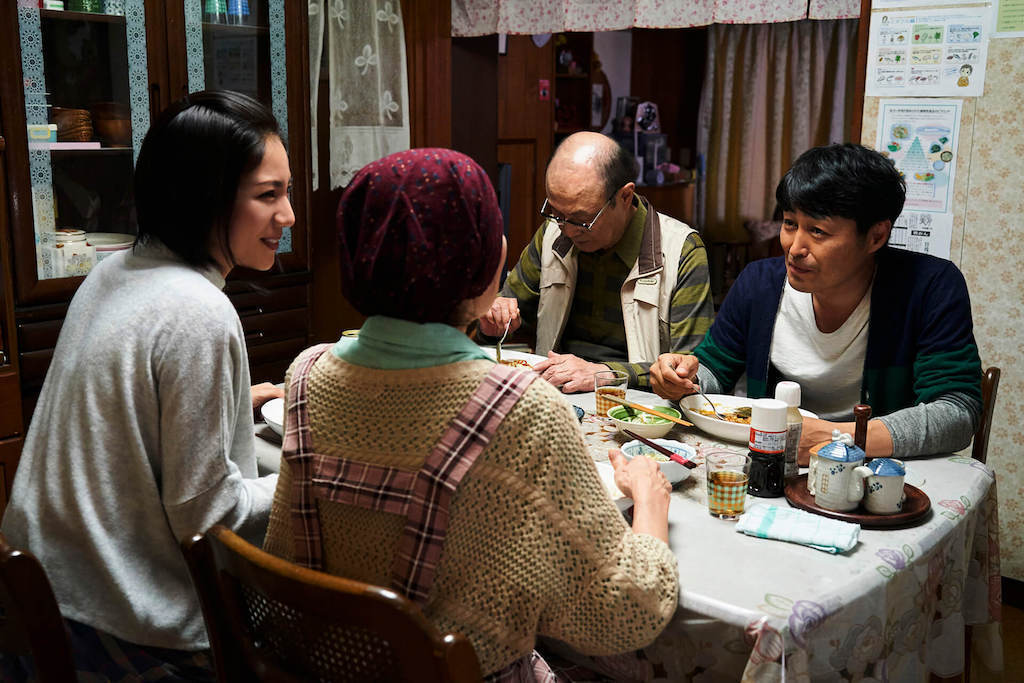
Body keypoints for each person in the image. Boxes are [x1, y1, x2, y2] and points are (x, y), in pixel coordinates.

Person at [262, 148, 678, 679]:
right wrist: (649, 499)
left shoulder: (306, 375)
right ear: (484, 260)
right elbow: (622, 616)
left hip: (324, 670)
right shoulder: (523, 409)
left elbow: (286, 560)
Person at [0, 90, 292, 680]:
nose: (287, 216)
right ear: (207, 198)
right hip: (125, 631)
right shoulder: (198, 310)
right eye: (269, 196)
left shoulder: (115, 270)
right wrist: (306, 468)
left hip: (36, 602)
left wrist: (241, 402)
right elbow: (208, 519)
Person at [650, 143, 982, 462]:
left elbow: (957, 411)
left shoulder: (929, 286)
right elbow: (714, 370)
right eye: (790, 223)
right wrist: (682, 377)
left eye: (818, 231)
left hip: (877, 472)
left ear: (876, 236)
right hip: (771, 461)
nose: (795, 247)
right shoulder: (759, 282)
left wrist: (838, 438)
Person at [480, 131, 714, 393]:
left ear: (625, 197)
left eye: (582, 220)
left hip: (640, 408)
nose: (567, 230)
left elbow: (690, 372)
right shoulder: (553, 233)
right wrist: (493, 322)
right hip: (556, 395)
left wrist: (603, 373)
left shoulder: (681, 250)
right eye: (555, 212)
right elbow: (503, 322)